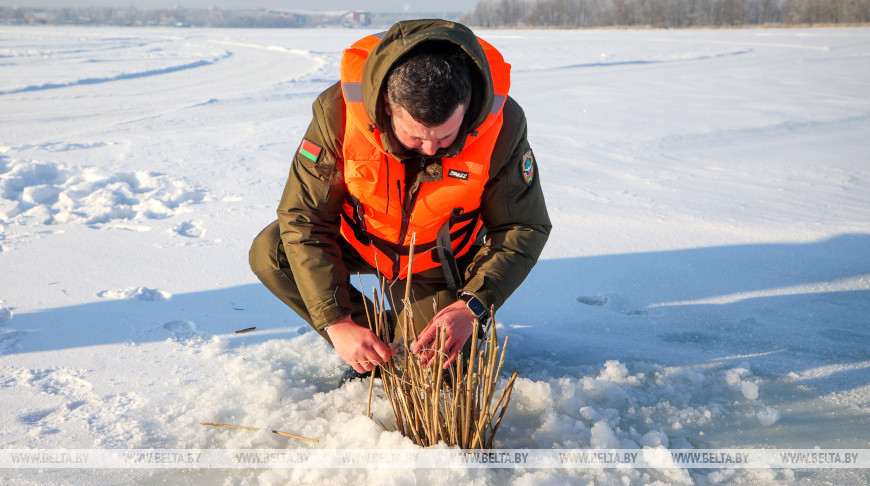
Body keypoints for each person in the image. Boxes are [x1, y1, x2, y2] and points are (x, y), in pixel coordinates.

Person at [249, 19, 550, 382]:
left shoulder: (503, 124)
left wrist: (471, 306)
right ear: (388, 107)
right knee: (272, 251)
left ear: (467, 108)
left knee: (442, 378)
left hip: (437, 260)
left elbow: (523, 225)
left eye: (445, 136)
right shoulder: (338, 112)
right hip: (361, 241)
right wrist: (337, 322)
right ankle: (376, 344)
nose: (431, 148)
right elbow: (304, 218)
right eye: (415, 136)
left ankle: (415, 335)